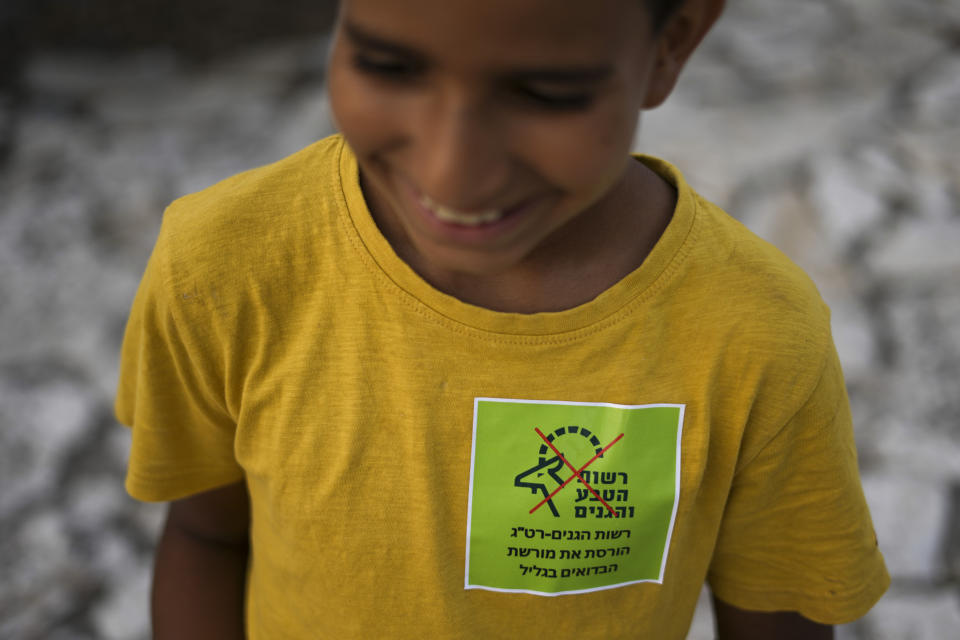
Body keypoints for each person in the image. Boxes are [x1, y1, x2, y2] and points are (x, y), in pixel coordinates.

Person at [115, 0, 890, 637]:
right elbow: (207, 532)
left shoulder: (755, 335)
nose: (453, 170)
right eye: (388, 66)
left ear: (673, 42)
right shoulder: (225, 266)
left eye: (546, 94)